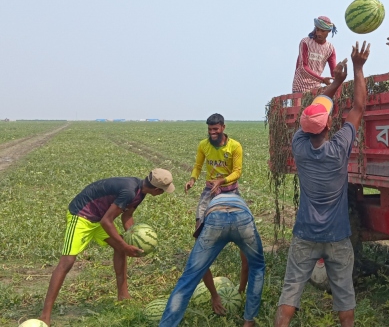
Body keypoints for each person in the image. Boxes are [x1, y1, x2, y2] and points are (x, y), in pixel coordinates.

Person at [275, 41, 370, 327]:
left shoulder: (299, 146)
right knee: (345, 298)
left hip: (305, 235)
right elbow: (359, 107)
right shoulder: (339, 147)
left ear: (305, 129)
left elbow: (314, 111)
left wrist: (334, 83)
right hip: (338, 236)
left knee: (290, 293)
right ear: (330, 126)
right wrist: (356, 68)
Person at [39, 169, 175, 325]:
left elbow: (127, 216)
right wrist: (124, 245)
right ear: (157, 190)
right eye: (164, 191)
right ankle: (45, 316)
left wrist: (134, 238)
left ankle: (123, 296)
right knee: (67, 262)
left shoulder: (140, 192)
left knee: (120, 247)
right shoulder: (130, 191)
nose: (163, 193)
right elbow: (106, 221)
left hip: (99, 217)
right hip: (82, 214)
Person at [158, 190, 266, 327]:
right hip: (242, 217)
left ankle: (166, 325)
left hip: (215, 217)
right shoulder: (239, 201)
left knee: (189, 277)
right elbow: (247, 265)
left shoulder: (204, 207)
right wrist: (240, 290)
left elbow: (201, 266)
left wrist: (215, 295)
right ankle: (249, 322)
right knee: (257, 267)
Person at [184, 113, 249, 314]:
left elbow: (238, 171)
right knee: (198, 236)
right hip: (208, 192)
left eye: (216, 129)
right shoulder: (203, 145)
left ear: (223, 127)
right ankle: (213, 293)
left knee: (246, 240)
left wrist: (222, 181)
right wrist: (193, 180)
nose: (212, 133)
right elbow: (197, 166)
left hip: (231, 191)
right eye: (210, 130)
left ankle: (241, 289)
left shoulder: (235, 146)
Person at [292, 16, 339, 93]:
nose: (319, 33)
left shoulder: (330, 48)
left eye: (323, 31)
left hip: (316, 88)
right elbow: (303, 67)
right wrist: (322, 80)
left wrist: (338, 77)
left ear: (329, 31)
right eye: (317, 30)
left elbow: (333, 72)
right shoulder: (306, 42)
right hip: (300, 87)